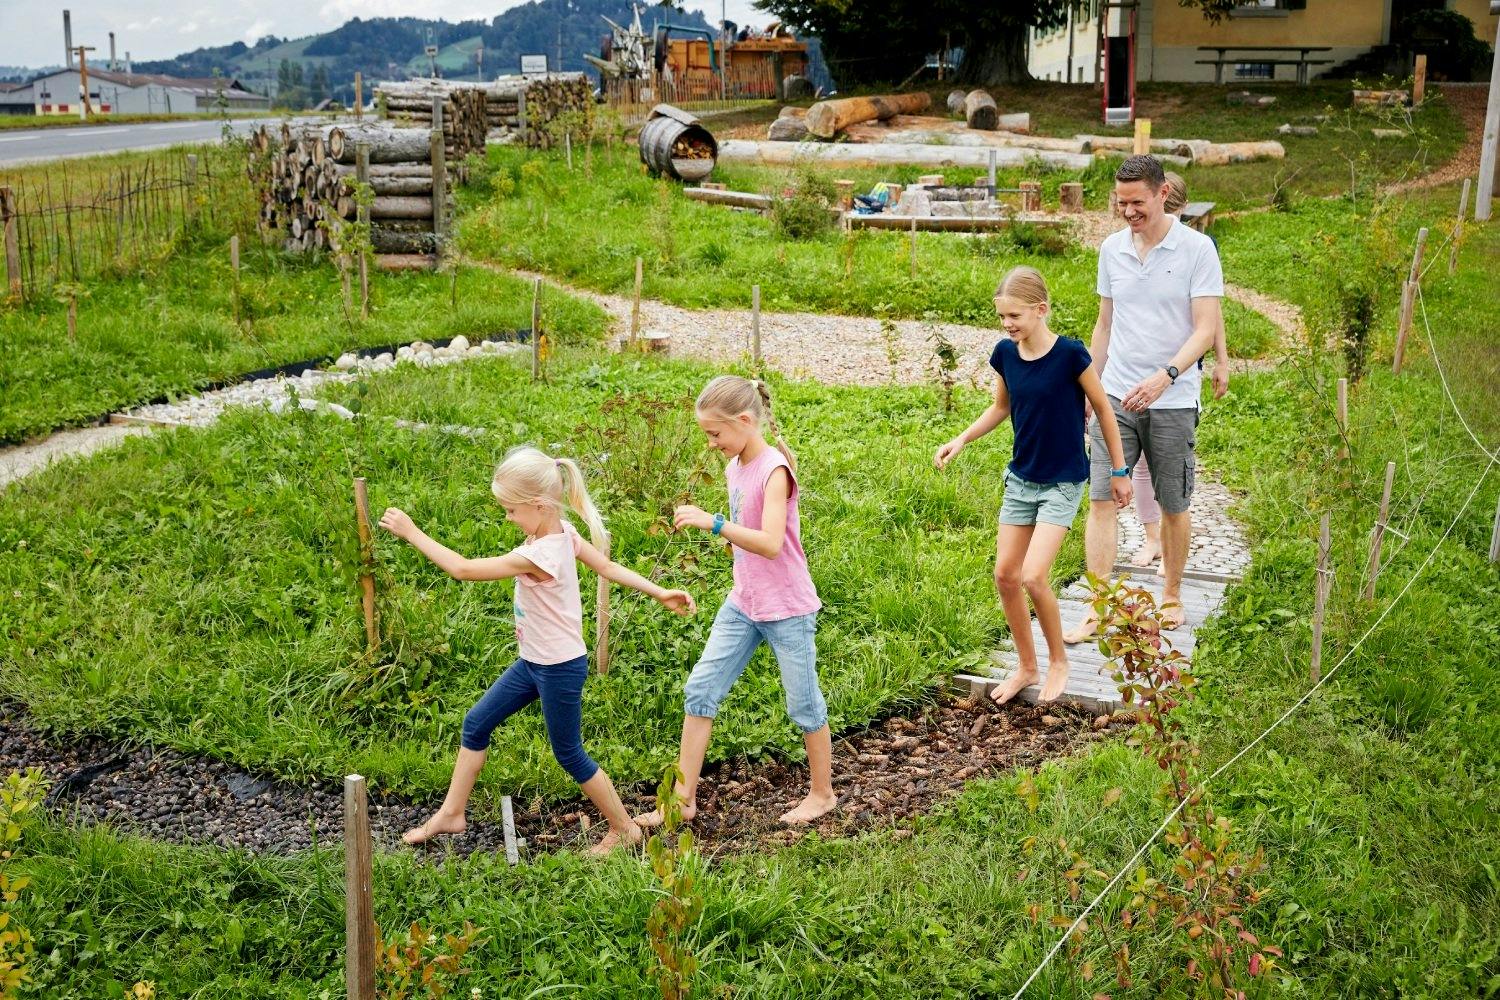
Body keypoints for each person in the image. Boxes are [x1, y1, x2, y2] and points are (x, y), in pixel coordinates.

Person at [378, 446, 697, 855]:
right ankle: (452, 813)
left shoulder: (539, 554)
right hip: (534, 662)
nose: (508, 517)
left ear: (539, 504)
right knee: (476, 724)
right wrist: (659, 591)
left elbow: (463, 569)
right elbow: (609, 568)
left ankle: (623, 828)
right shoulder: (561, 532)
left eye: (511, 510)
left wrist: (411, 531)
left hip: (559, 667)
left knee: (569, 752)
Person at [635, 375, 836, 828]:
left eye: (714, 433)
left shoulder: (774, 470)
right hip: (744, 603)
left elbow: (768, 543)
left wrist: (714, 523)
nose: (710, 444)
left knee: (803, 705)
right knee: (700, 690)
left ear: (745, 421)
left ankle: (822, 794)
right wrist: (726, 537)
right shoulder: (735, 466)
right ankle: (683, 799)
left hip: (786, 607)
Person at [935, 266, 1132, 704]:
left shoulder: (1071, 355)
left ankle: (1058, 660)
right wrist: (961, 439)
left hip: (1062, 481)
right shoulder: (1005, 354)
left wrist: (1119, 472)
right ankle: (1027, 666)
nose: (1008, 325)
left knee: (1035, 575)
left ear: (1040, 310)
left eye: (1015, 316)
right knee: (1005, 574)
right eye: (1003, 317)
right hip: (1021, 479)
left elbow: (1103, 410)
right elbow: (1000, 407)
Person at [1065, 154, 1224, 642]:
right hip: (1116, 394)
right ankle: (1097, 605)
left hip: (1173, 399)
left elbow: (1204, 328)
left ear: (1161, 194)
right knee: (1100, 499)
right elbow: (1105, 322)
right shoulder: (1111, 250)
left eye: (1137, 202)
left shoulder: (1197, 249)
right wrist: (1090, 383)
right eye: (1120, 202)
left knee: (1174, 500)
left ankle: (1172, 595)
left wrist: (1168, 375)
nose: (1128, 211)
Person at [1127, 170, 1230, 569]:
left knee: (1167, 461)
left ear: (1179, 208)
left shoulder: (1201, 248)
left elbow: (1211, 312)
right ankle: (1151, 537)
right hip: (1136, 366)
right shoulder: (1128, 248)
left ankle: (1170, 536)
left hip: (1181, 368)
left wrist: (1221, 359)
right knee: (1136, 461)